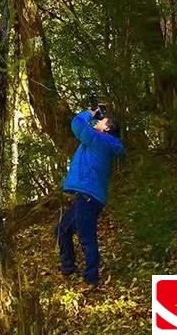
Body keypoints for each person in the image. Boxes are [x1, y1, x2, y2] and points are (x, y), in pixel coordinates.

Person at [56, 105, 124, 288]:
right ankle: (68, 268)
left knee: (87, 237)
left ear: (107, 128)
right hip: (86, 196)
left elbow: (77, 125)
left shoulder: (99, 141)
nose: (97, 122)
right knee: (63, 229)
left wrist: (89, 112)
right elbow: (89, 127)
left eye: (102, 121)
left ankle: (91, 278)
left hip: (88, 196)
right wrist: (97, 116)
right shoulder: (98, 139)